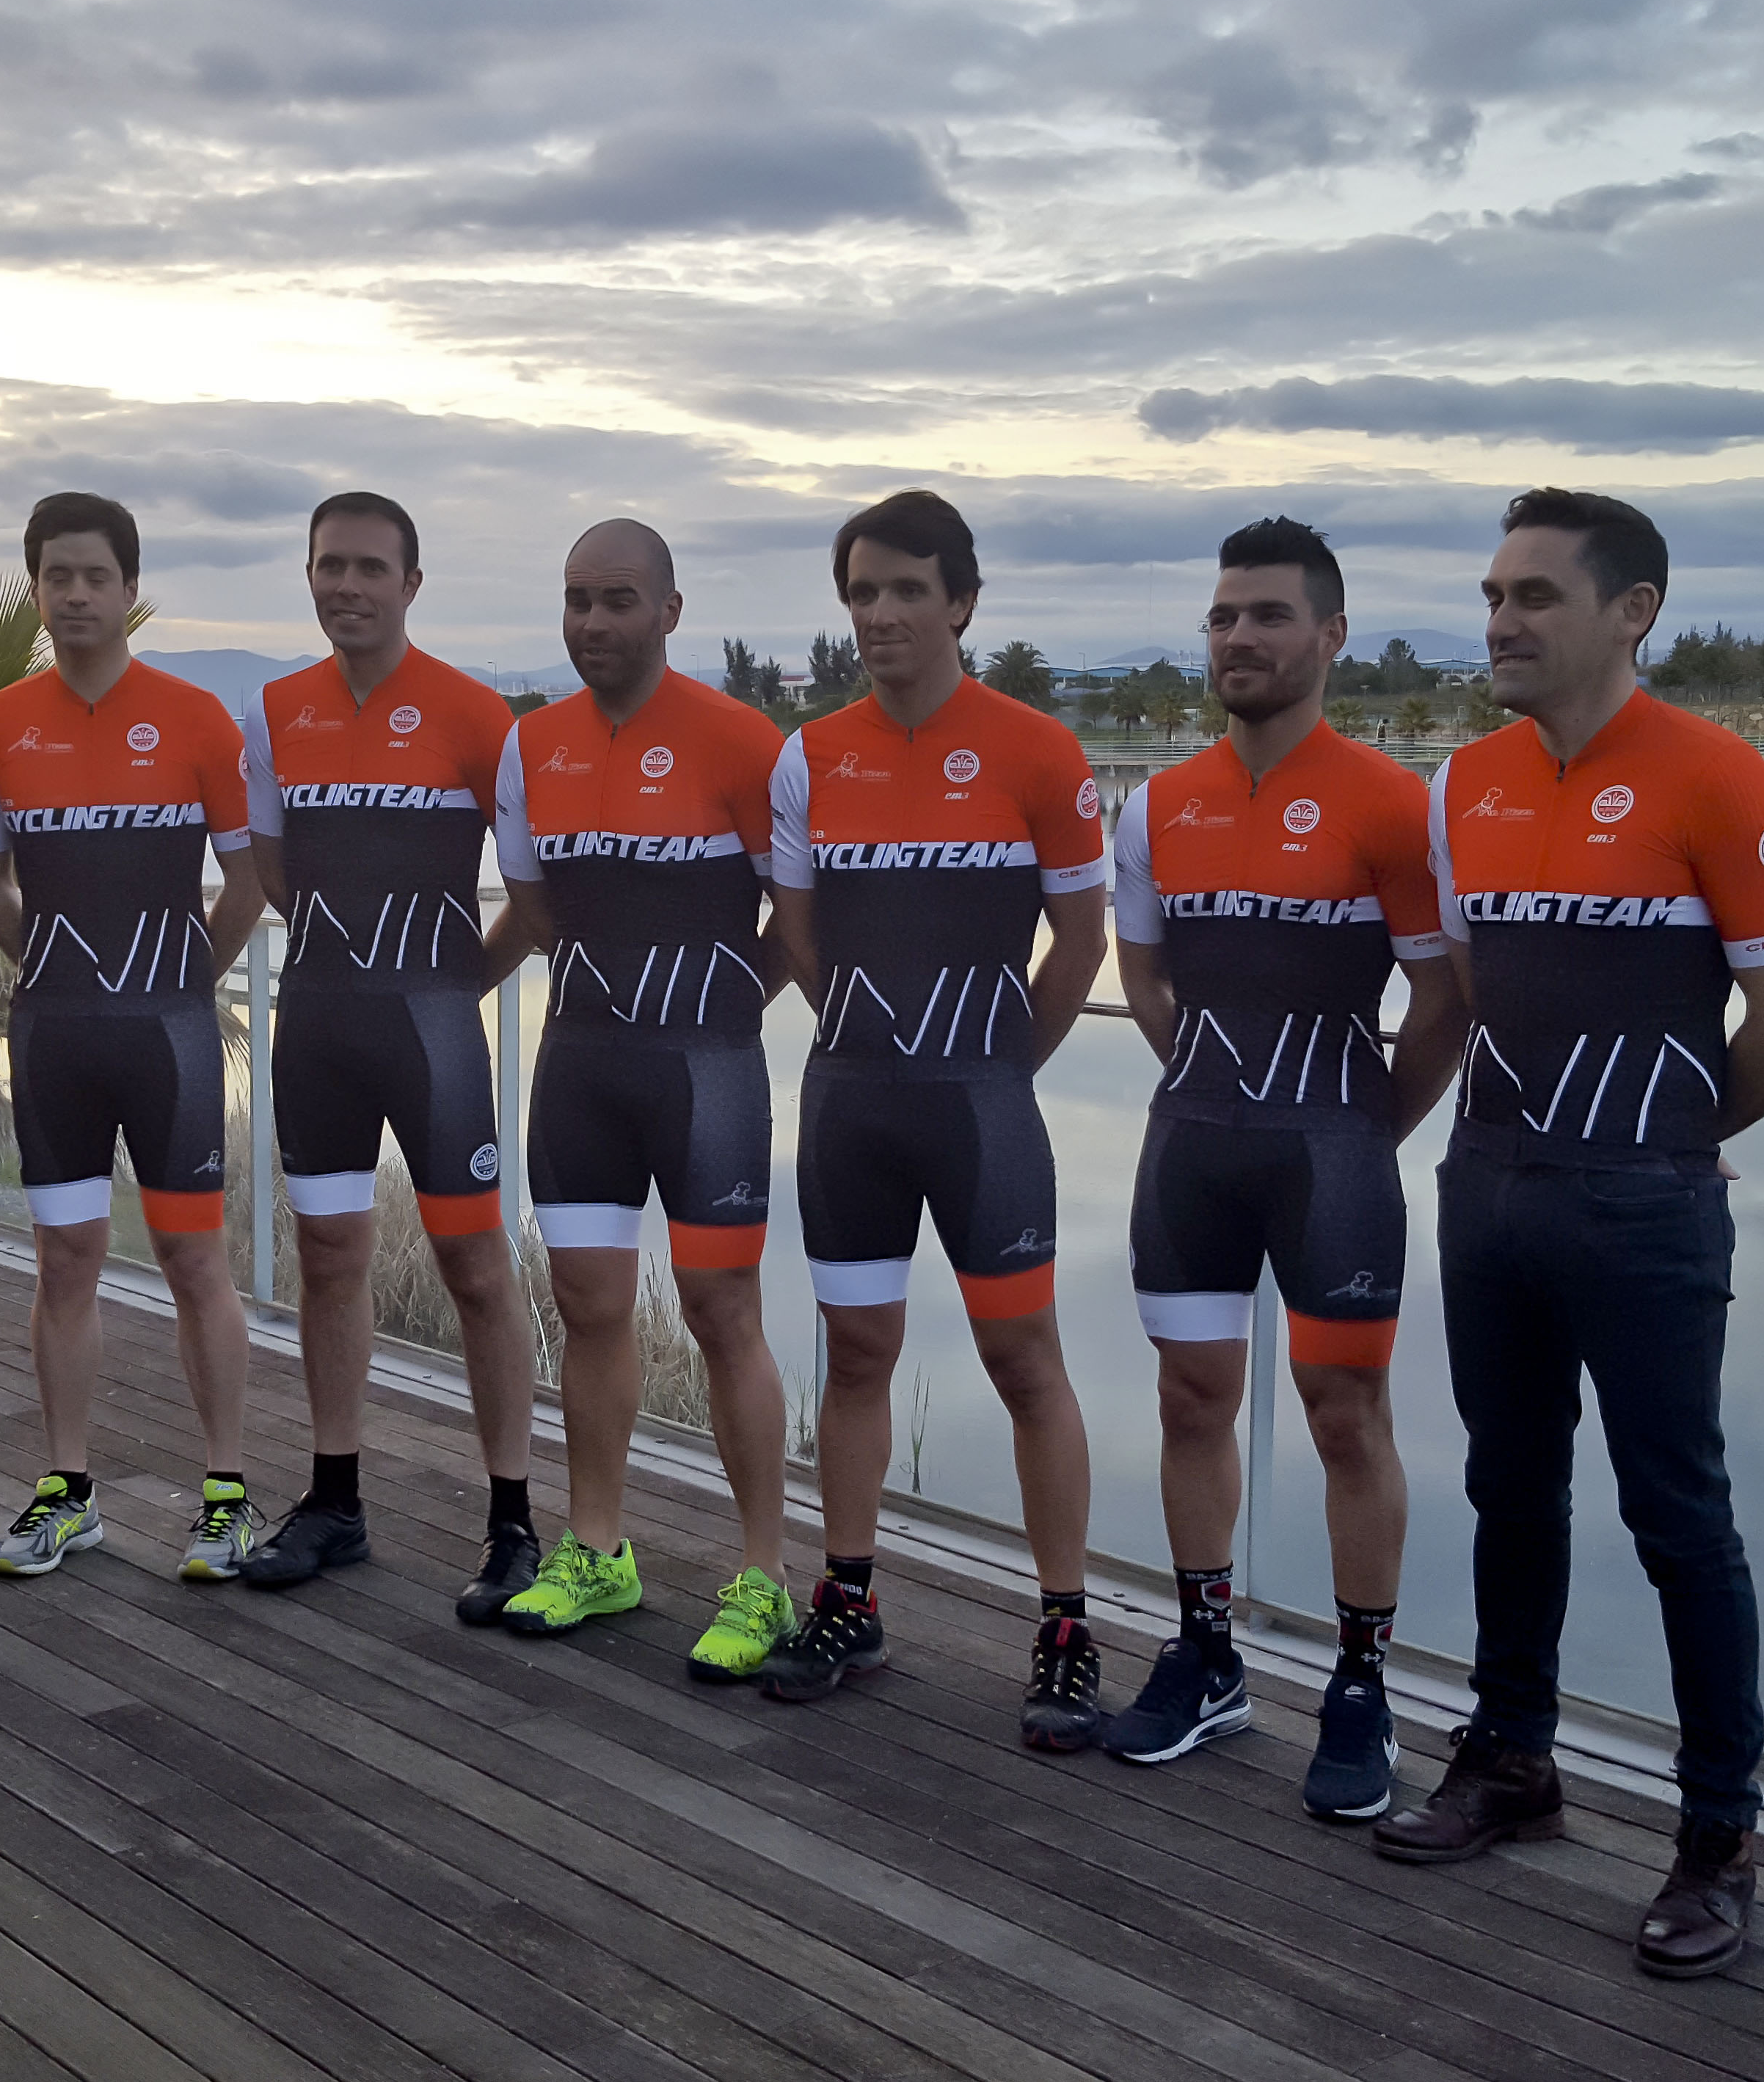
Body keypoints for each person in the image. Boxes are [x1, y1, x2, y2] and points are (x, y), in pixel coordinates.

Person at [1370, 488, 1764, 1982]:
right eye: (1493, 595)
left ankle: (1718, 1841)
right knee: (1509, 1490)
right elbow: (1460, 991)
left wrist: (1670, 1146)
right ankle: (1512, 1759)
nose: (1501, 621)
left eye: (1535, 597)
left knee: (1677, 1516)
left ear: (1632, 613)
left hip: (1641, 1207)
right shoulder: (1467, 784)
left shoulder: (1716, 777)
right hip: (1488, 1189)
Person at [1098, 519, 1469, 1820]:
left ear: (1330, 636)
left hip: (1334, 1155)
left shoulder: (1393, 804)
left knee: (1345, 1416)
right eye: (1222, 616)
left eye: (1267, 615)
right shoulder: (1159, 804)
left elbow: (1444, 1004)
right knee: (1190, 1399)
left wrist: (1362, 1130)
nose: (1239, 637)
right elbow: (1145, 976)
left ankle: (1361, 1686)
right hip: (1192, 1146)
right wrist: (1218, 1078)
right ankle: (1208, 1658)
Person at [760, 489, 1115, 1751]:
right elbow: (799, 935)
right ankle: (849, 1600)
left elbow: (1082, 945)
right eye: (863, 592)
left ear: (961, 604)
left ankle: (1065, 1630)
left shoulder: (1039, 751)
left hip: (983, 1112)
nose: (882, 614)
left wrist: (998, 1069)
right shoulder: (811, 755)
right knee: (855, 1357)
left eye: (909, 590)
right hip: (851, 1103)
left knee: (1027, 1365)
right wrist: (881, 1044)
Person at [480, 518, 798, 1669]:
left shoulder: (744, 740)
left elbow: (798, 917)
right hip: (582, 1066)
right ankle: (598, 1551)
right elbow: (535, 910)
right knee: (588, 1304)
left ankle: (764, 1579)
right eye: (577, 600)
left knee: (722, 1311)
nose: (594, 622)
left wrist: (723, 1004)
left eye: (618, 600)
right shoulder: (533, 745)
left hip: (707, 1072)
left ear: (669, 611)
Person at [227, 493, 543, 1618]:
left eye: (370, 568)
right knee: (326, 1257)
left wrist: (453, 989)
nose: (347, 586)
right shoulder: (274, 711)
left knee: (475, 1268)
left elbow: (533, 898)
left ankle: (514, 1523)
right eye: (330, 566)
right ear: (310, 576)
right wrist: (356, 966)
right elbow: (272, 870)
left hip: (435, 1036)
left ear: (411, 584)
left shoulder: (477, 716)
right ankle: (334, 1503)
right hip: (319, 1023)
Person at [0, 492, 270, 1580]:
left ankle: (226, 1495)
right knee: (65, 1260)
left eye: (97, 576)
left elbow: (248, 880)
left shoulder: (196, 719)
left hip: (168, 1037)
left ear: (131, 590)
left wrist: (186, 979)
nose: (77, 595)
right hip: (55, 1037)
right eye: (58, 577)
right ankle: (68, 1490)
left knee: (195, 1259)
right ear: (36, 590)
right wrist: (51, 961)